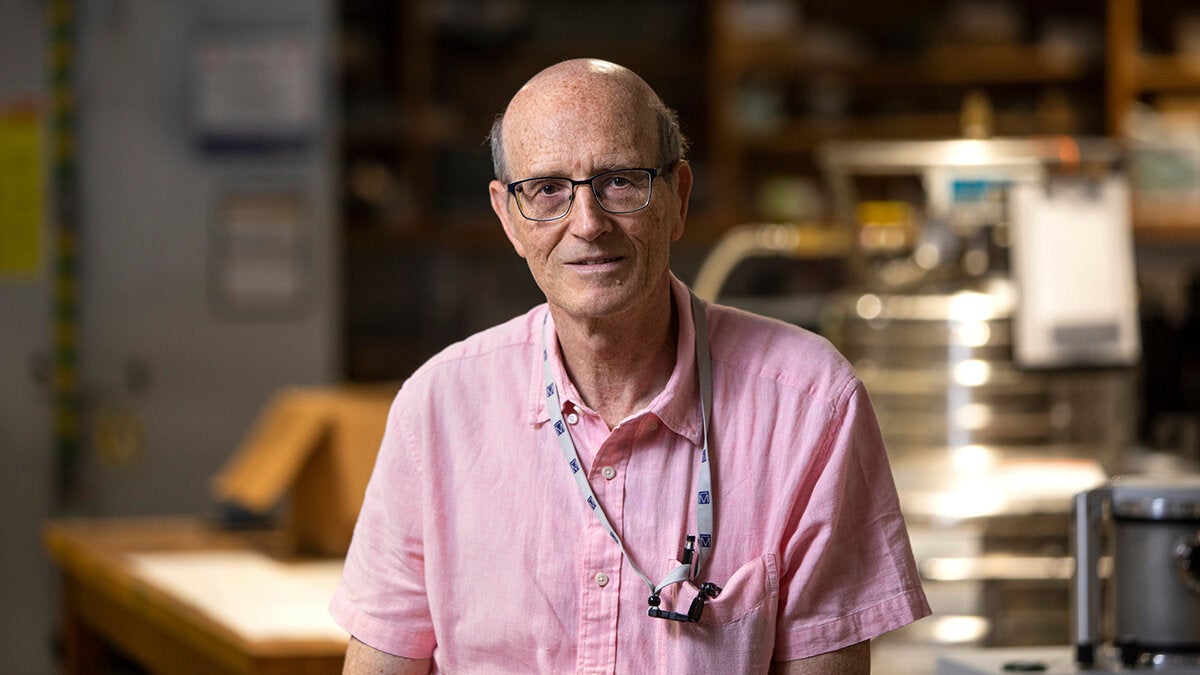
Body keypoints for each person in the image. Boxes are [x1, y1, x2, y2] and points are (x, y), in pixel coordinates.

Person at [330, 58, 930, 674]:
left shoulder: (808, 404)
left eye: (619, 181)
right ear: (508, 217)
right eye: (546, 190)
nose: (587, 224)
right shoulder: (437, 408)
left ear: (678, 198)